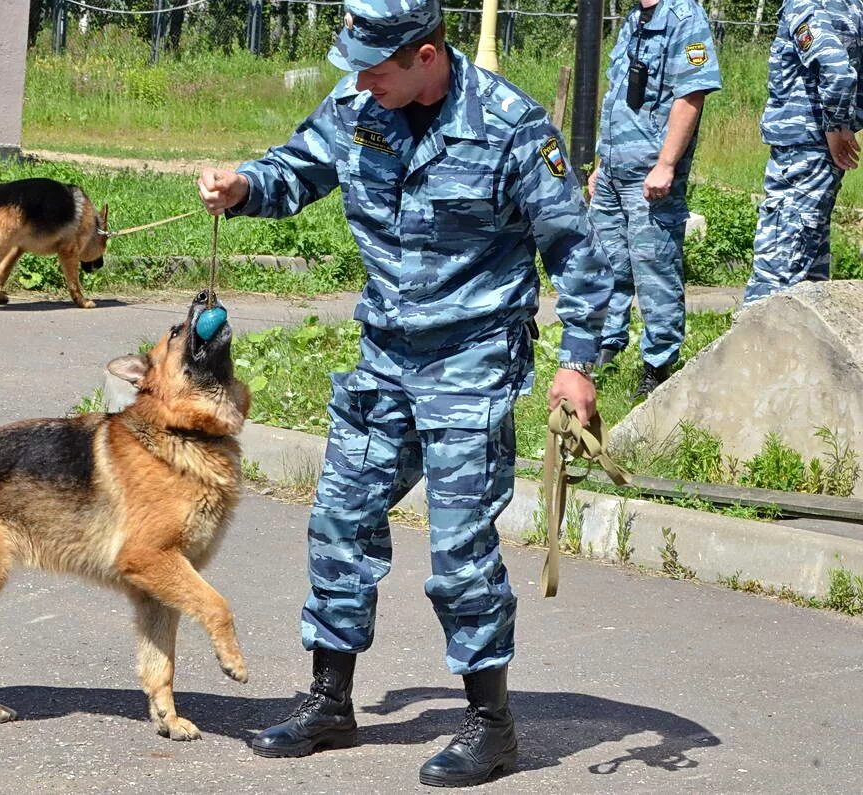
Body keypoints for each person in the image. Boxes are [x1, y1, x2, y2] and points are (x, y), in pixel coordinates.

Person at [197, 0, 611, 786]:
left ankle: (491, 724)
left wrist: (579, 360)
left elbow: (576, 249)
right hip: (384, 353)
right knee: (339, 523)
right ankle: (330, 700)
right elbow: (297, 169)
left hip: (472, 358)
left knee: (458, 552)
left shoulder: (511, 127)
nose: (362, 81)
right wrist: (244, 185)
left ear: (428, 55)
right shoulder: (359, 105)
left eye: (379, 67)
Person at [586, 0, 722, 398]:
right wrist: (600, 164)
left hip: (650, 174)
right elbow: (617, 97)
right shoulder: (635, 17)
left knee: (654, 269)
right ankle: (605, 350)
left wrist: (666, 164)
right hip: (613, 171)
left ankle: (657, 369)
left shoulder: (683, 16)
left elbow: (691, 94)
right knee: (606, 264)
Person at [744, 0, 863, 304]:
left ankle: (755, 350)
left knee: (777, 268)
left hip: (803, 150)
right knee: (811, 266)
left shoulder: (806, 4)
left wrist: (836, 125)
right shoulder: (851, 6)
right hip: (817, 154)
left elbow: (837, 70)